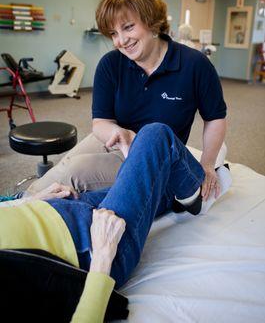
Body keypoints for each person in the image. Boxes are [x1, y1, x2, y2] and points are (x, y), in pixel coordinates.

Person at [0, 123, 231, 322]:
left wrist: (30, 201)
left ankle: (187, 190)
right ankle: (197, 193)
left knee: (158, 176)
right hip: (92, 243)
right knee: (156, 135)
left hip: (56, 208)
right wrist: (102, 257)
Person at [24, 0, 226, 204]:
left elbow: (215, 117)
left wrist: (207, 165)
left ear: (152, 21)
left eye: (128, 27)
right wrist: (118, 134)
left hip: (153, 154)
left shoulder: (194, 64)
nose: (121, 41)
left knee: (74, 172)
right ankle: (18, 203)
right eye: (113, 33)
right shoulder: (110, 64)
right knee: (60, 169)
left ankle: (24, 213)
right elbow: (100, 122)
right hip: (115, 137)